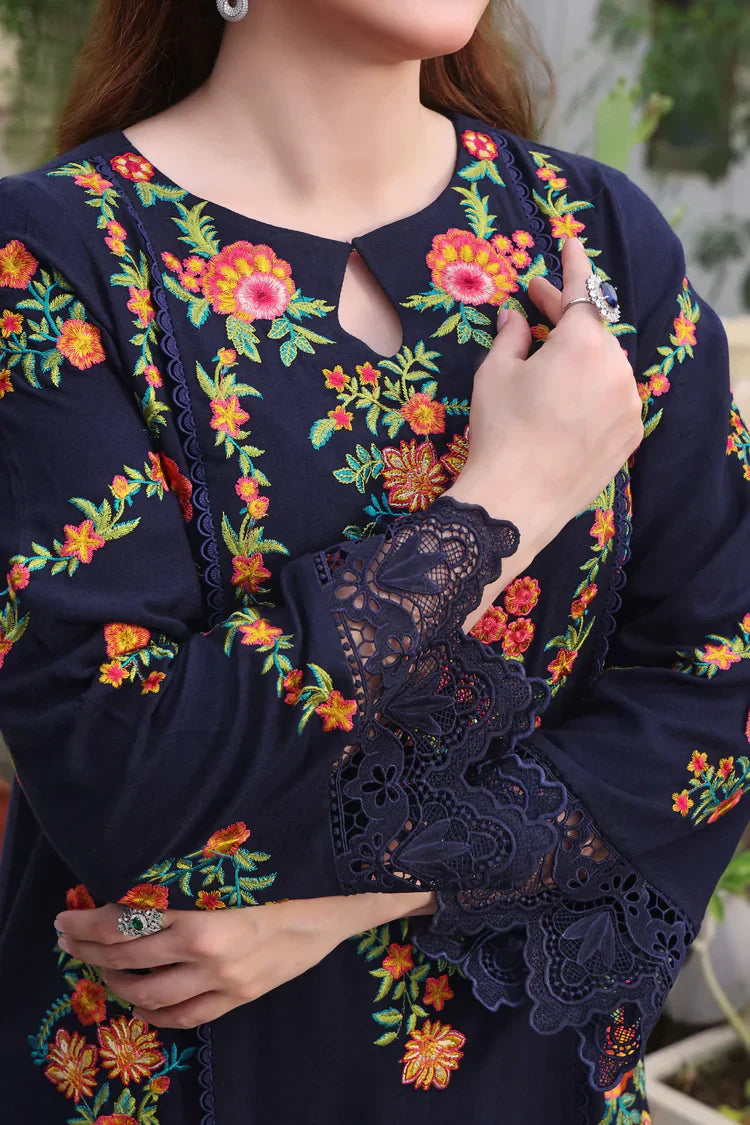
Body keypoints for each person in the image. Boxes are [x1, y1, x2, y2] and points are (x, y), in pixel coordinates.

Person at [0, 0, 748, 1121]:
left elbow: (718, 696)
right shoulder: (49, 259)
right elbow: (123, 776)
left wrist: (355, 898)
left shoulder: (596, 239)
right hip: (165, 1070)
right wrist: (507, 500)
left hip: (519, 1080)